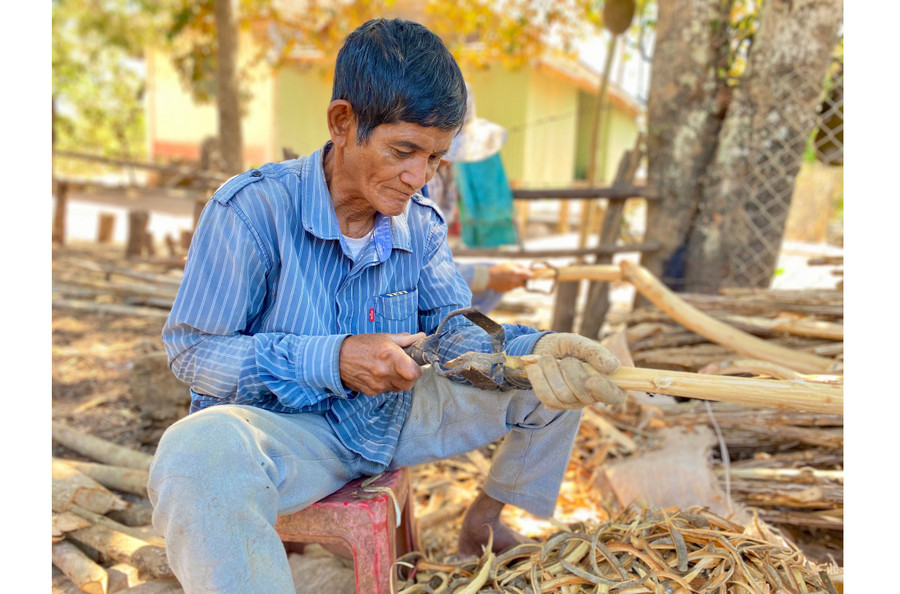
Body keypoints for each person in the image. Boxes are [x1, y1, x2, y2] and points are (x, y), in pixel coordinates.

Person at [148, 18, 625, 592]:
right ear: (343, 122)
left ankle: (485, 523)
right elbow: (194, 352)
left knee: (554, 380)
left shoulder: (419, 223)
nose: (418, 178)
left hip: (391, 421)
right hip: (287, 435)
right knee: (195, 453)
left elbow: (456, 333)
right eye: (404, 151)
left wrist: (535, 348)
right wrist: (334, 358)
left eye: (435, 159)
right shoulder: (250, 211)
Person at [423, 83, 533, 313]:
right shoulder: (418, 179)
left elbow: (434, 257)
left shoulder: (446, 172)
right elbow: (416, 271)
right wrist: (486, 276)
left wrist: (489, 275)